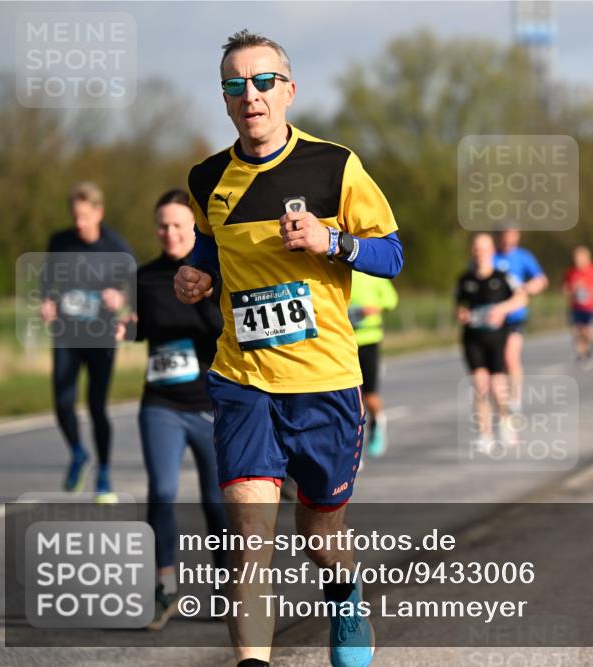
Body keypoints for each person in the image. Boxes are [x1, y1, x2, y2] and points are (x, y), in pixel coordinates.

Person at [173, 30, 402, 667]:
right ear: (224, 100)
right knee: (251, 539)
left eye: (263, 81)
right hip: (243, 380)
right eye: (235, 85)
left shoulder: (335, 167)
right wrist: (196, 272)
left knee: (319, 531)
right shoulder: (207, 178)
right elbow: (207, 247)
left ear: (288, 91)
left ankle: (346, 593)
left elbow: (392, 253)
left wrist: (333, 242)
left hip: (324, 379)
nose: (251, 95)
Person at [121, 189, 228, 630]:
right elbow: (134, 333)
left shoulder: (216, 273)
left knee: (217, 500)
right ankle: (163, 588)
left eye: (179, 225)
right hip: (161, 402)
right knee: (162, 492)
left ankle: (228, 586)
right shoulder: (144, 277)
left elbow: (226, 330)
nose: (170, 233)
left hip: (208, 403)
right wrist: (117, 324)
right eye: (163, 225)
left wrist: (204, 295)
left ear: (194, 228)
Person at [39, 181, 133, 503]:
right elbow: (46, 285)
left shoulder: (117, 247)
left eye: (85, 216)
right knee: (62, 402)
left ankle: (104, 475)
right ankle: (78, 453)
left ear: (99, 212)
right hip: (66, 335)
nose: (79, 223)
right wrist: (47, 302)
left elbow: (136, 290)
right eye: (75, 216)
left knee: (96, 407)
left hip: (101, 337)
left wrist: (120, 296)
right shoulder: (59, 243)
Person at [456, 233, 527, 451]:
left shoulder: (503, 277)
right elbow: (459, 306)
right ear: (472, 251)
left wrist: (501, 310)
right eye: (477, 249)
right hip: (473, 338)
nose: (480, 253)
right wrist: (463, 314)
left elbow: (522, 297)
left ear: (492, 251)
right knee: (479, 385)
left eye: (485, 248)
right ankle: (485, 434)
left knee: (497, 387)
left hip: (496, 338)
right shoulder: (465, 279)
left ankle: (505, 421)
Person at [493, 225, 548, 412]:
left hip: (515, 316)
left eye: (512, 235)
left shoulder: (524, 257)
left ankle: (515, 400)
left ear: (517, 236)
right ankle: (501, 403)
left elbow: (541, 281)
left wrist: (526, 288)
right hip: (494, 319)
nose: (508, 239)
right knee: (497, 364)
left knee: (511, 357)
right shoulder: (491, 256)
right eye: (504, 235)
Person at [348, 270, 398, 458]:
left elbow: (391, 299)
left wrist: (372, 308)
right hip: (345, 341)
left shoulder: (372, 271)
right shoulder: (337, 267)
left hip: (369, 338)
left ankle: (378, 422)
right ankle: (353, 451)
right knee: (351, 396)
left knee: (369, 394)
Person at [562, 246, 593, 367]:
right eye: (576, 258)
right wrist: (571, 289)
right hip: (576, 307)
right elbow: (565, 288)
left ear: (587, 258)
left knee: (588, 330)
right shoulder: (571, 272)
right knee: (577, 331)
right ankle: (582, 355)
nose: (578, 260)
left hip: (591, 307)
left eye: (581, 257)